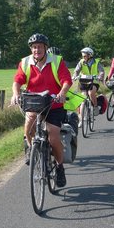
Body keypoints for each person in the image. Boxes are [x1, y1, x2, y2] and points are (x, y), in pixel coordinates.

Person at [10, 33, 72, 188]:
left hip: (54, 104)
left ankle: (59, 166)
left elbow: (66, 80)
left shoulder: (57, 61)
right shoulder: (25, 62)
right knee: (29, 126)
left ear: (46, 48)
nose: (36, 50)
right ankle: (32, 149)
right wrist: (16, 94)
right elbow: (17, 81)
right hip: (35, 102)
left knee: (53, 135)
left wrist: (62, 93)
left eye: (39, 47)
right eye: (34, 47)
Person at [72, 47, 105, 127]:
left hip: (94, 81)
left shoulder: (96, 62)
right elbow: (76, 71)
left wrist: (100, 76)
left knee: (91, 93)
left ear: (90, 55)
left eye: (85, 56)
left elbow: (101, 71)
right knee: (83, 99)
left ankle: (95, 107)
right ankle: (82, 120)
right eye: (82, 56)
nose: (83, 57)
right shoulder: (81, 62)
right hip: (84, 82)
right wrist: (74, 76)